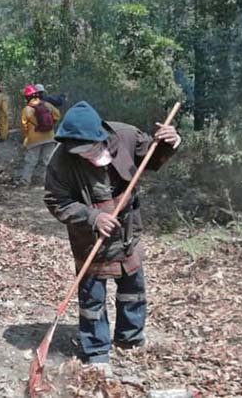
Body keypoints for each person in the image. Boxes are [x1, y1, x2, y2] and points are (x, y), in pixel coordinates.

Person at [43, 101, 181, 374]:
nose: (85, 155)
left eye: (90, 149)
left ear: (101, 136)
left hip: (127, 228)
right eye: (79, 151)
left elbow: (152, 159)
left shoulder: (126, 136)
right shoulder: (61, 161)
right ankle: (96, 350)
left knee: (133, 288)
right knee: (92, 296)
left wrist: (170, 142)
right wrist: (93, 217)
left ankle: (130, 339)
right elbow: (56, 201)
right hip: (89, 237)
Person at [18, 84, 61, 186]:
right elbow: (57, 116)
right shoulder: (47, 105)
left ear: (27, 97)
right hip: (50, 137)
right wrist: (49, 125)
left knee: (31, 161)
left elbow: (24, 126)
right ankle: (47, 182)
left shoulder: (27, 109)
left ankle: (25, 181)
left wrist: (26, 137)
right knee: (48, 161)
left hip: (34, 139)